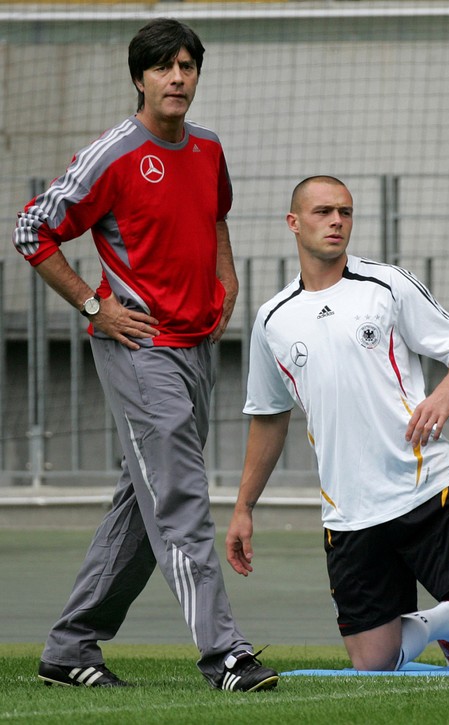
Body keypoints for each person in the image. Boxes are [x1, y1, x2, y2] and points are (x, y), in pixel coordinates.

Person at [12, 18, 278, 692]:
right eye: (164, 67)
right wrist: (90, 303)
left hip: (196, 349)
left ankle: (69, 647)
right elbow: (30, 228)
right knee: (182, 497)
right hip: (139, 347)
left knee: (144, 502)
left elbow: (217, 215)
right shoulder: (114, 153)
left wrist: (228, 279)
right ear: (140, 77)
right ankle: (225, 655)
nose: (178, 77)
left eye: (188, 66)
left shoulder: (209, 148)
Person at [225, 175, 449, 671]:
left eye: (345, 211)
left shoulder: (387, 285)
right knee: (374, 665)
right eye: (323, 212)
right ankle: (447, 621)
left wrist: (444, 393)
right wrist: (243, 507)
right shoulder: (273, 319)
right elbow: (269, 417)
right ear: (293, 223)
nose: (337, 220)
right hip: (351, 513)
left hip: (428, 488)